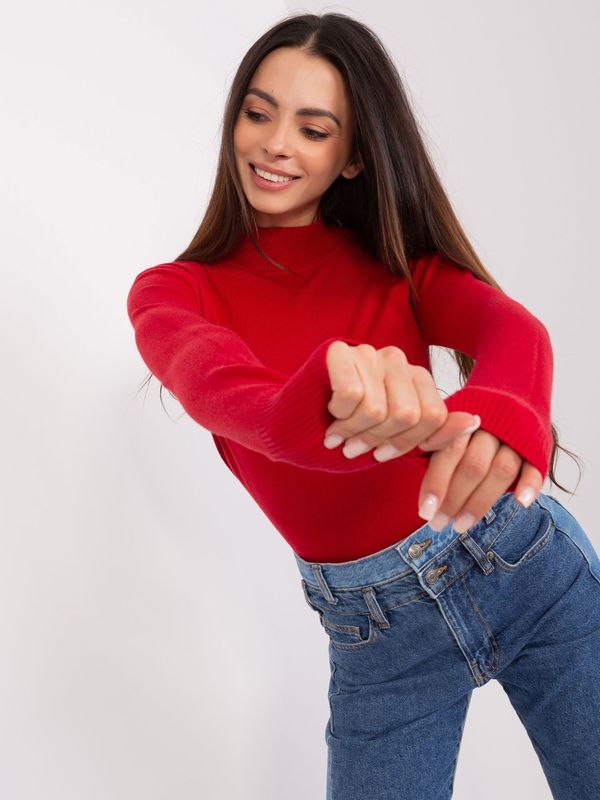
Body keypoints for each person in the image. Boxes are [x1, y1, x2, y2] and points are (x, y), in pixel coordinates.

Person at [126, 12, 600, 800]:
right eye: (258, 111)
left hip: (521, 562)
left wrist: (506, 410)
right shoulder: (174, 293)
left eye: (314, 129)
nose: (276, 144)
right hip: (377, 637)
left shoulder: (395, 264)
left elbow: (514, 331)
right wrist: (324, 396)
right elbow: (225, 390)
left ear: (350, 159)